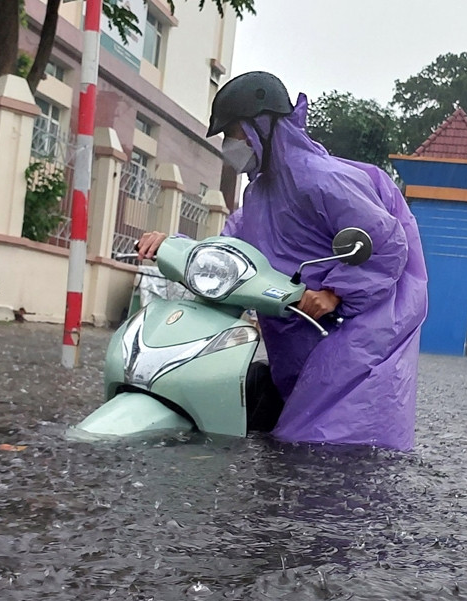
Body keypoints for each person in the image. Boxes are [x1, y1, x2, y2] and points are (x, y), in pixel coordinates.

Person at [137, 71, 429, 451]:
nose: (230, 146)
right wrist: (173, 247)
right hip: (298, 339)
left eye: (234, 133)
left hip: (350, 341)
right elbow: (229, 253)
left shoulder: (323, 180)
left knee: (331, 456)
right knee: (287, 451)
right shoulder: (258, 196)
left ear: (262, 128)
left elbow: (387, 242)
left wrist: (335, 292)